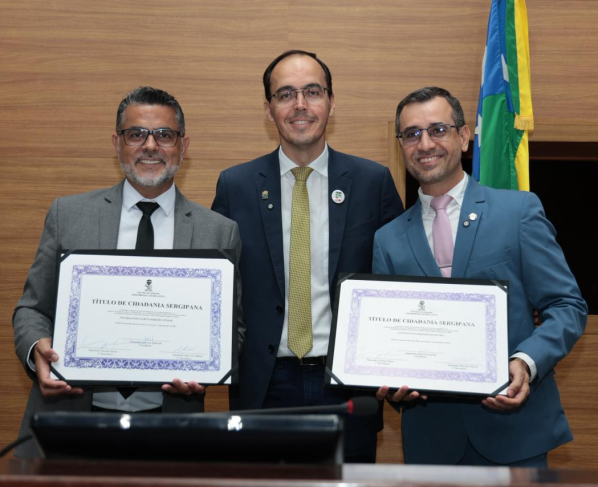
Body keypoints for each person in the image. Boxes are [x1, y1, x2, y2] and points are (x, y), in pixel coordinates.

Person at [13, 86, 243, 457]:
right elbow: (32, 309)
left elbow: (234, 329)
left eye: (164, 135)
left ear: (183, 146)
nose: (150, 146)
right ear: (117, 144)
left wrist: (210, 366)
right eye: (136, 134)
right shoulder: (68, 215)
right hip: (69, 421)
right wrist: (36, 347)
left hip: (169, 428)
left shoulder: (218, 231)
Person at [373, 86, 587, 467]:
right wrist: (391, 385)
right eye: (412, 134)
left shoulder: (518, 211)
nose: (425, 144)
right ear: (401, 145)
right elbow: (388, 341)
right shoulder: (387, 239)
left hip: (515, 434)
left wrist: (526, 362)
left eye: (438, 129)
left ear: (464, 136)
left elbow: (567, 306)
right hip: (431, 445)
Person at [211, 50, 403, 462]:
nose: (300, 105)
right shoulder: (235, 186)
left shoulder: (373, 182)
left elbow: (398, 281)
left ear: (332, 103)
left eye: (312, 92)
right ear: (268, 110)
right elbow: (218, 290)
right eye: (286, 94)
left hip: (347, 387)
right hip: (263, 387)